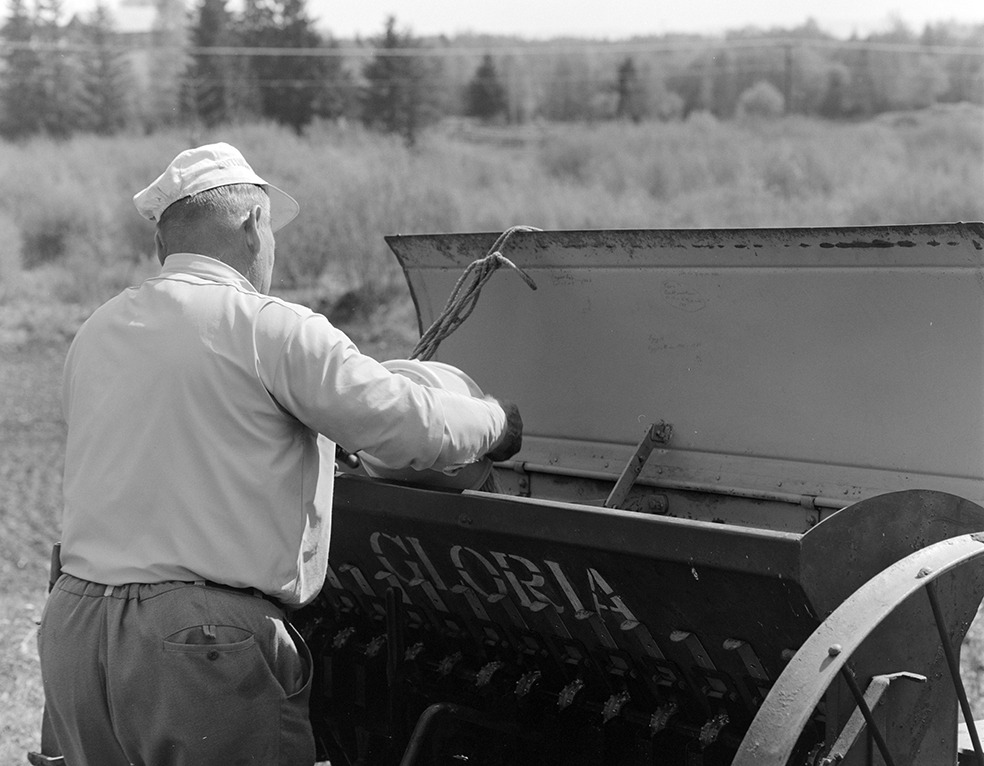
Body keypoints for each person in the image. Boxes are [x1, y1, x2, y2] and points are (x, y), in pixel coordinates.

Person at [37, 142, 523, 766]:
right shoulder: (270, 327)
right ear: (253, 224)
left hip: (76, 630)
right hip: (196, 643)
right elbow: (405, 425)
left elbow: (180, 440)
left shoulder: (98, 329)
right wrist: (495, 422)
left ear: (166, 241)